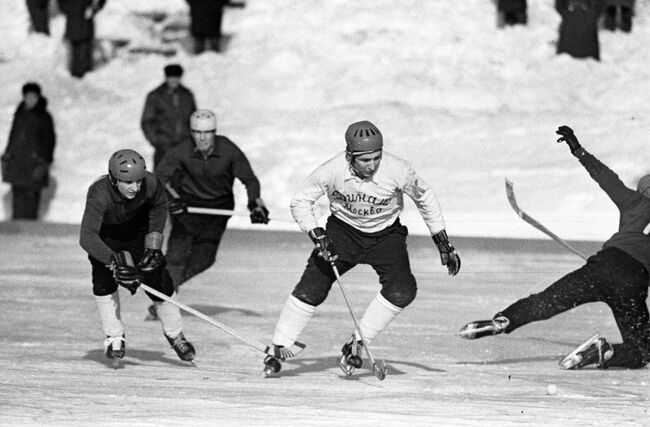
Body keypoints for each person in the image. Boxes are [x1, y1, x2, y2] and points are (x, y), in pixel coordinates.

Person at [262, 120, 461, 376]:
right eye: (365, 160)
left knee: (403, 291)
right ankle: (279, 346)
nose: (372, 165)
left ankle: (356, 343)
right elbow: (300, 201)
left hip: (386, 236)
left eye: (376, 158)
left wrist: (442, 241)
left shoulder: (398, 170)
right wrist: (316, 232)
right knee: (312, 288)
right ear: (349, 156)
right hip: (342, 234)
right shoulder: (332, 170)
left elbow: (426, 198)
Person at [460, 126, 650, 371]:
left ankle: (505, 320)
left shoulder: (635, 202)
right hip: (633, 284)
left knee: (548, 301)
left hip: (604, 265)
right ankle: (603, 352)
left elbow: (606, 178)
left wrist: (579, 151)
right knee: (642, 349)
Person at [79, 149, 196, 366]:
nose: (136, 187)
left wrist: (153, 246)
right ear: (114, 179)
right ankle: (114, 336)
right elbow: (87, 237)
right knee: (104, 282)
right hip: (107, 236)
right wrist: (114, 262)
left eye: (139, 181)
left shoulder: (151, 184)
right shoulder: (99, 194)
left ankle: (175, 333)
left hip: (138, 232)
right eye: (129, 182)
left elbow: (160, 209)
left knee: (159, 278)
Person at [150, 109, 269, 319]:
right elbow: (159, 177)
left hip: (218, 211)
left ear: (214, 132)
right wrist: (172, 201)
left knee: (203, 259)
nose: (202, 138)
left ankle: (164, 292)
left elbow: (249, 179)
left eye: (207, 133)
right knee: (176, 256)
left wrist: (255, 204)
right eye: (197, 132)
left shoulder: (229, 150)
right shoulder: (181, 150)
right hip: (188, 209)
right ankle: (165, 300)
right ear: (191, 132)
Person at [1, 82, 56, 220]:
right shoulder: (19, 114)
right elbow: (13, 137)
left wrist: (44, 161)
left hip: (34, 165)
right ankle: (18, 234)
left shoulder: (44, 117)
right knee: (17, 198)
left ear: (38, 97)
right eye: (28, 96)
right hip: (17, 164)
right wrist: (7, 155)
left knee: (31, 201)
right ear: (24, 97)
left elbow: (49, 140)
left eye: (33, 96)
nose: (30, 99)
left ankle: (30, 235)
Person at [140, 64, 197, 169]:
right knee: (162, 181)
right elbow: (147, 122)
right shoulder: (155, 96)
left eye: (177, 78)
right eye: (171, 78)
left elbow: (195, 119)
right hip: (164, 149)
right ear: (166, 78)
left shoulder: (187, 96)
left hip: (184, 148)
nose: (174, 81)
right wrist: (157, 141)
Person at [58, 0, 106, 78]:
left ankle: (82, 76)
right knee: (76, 51)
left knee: (83, 51)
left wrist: (94, 9)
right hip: (74, 23)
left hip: (83, 25)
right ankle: (78, 77)